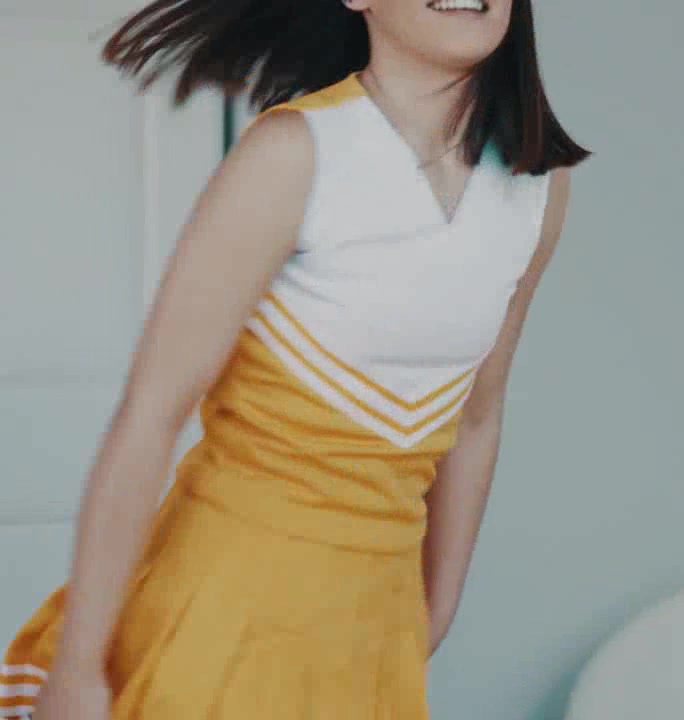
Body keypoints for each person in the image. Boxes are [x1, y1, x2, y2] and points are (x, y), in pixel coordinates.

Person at [0, 0, 588, 718]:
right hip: (219, 618)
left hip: (369, 639)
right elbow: (151, 415)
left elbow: (476, 419)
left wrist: (434, 613)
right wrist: (77, 666)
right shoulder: (294, 152)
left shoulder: (536, 190)